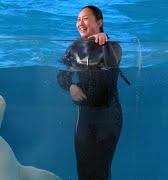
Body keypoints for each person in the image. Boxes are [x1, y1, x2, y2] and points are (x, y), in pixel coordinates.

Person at [57, 5, 127, 180]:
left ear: (99, 22)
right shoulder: (74, 48)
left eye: (85, 18)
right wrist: (71, 87)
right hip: (85, 117)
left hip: (109, 116)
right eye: (78, 19)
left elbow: (112, 68)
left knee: (101, 170)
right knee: (84, 170)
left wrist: (104, 44)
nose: (80, 23)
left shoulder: (114, 47)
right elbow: (61, 74)